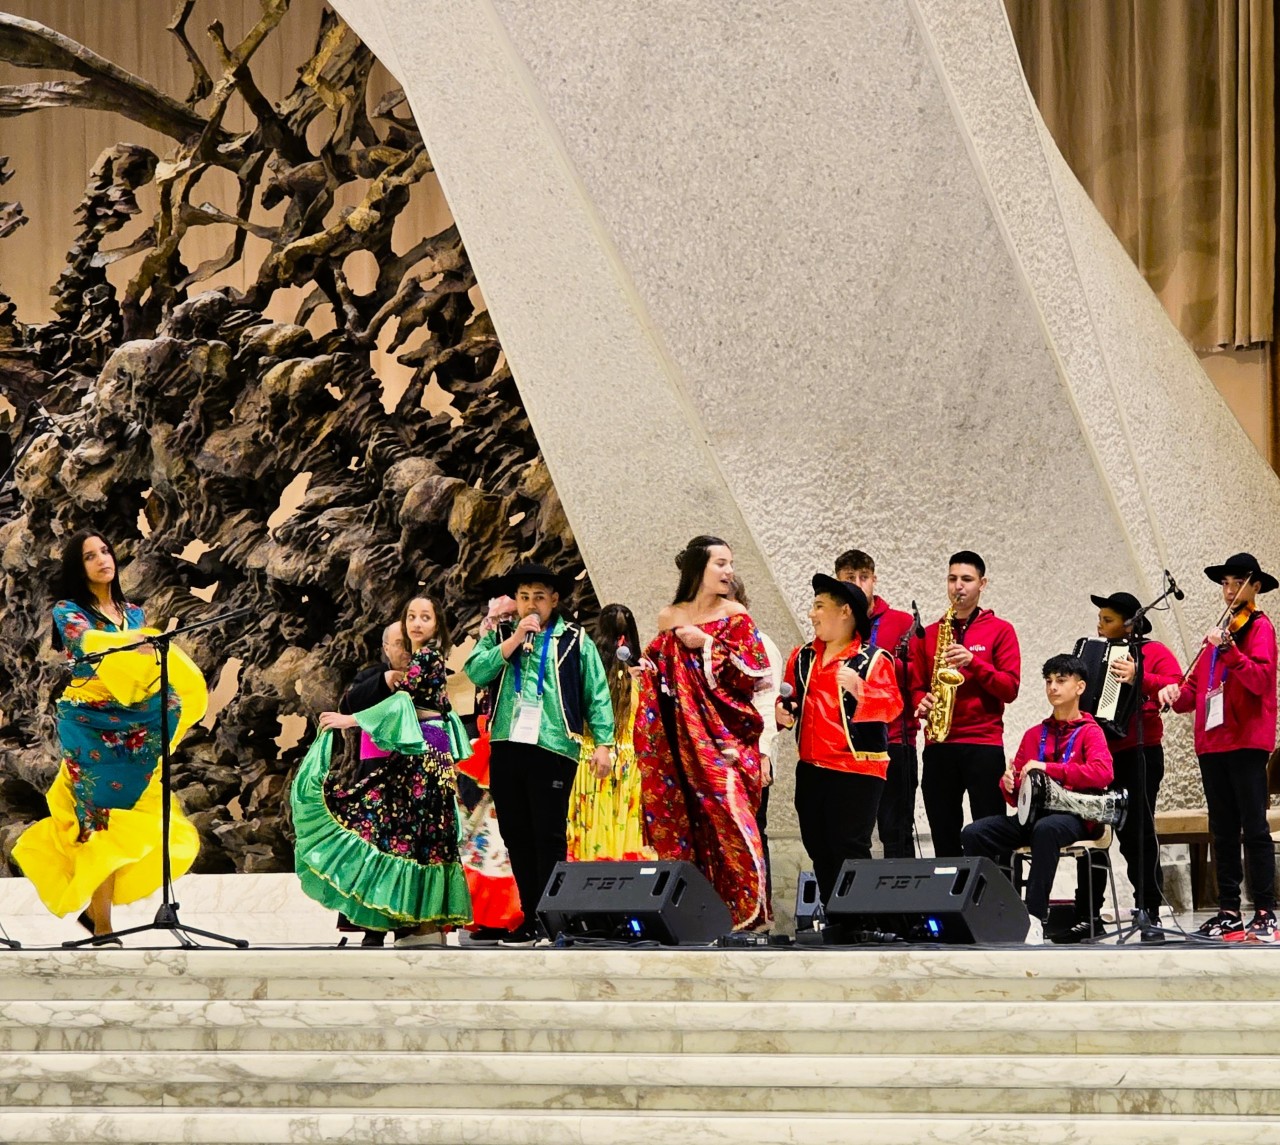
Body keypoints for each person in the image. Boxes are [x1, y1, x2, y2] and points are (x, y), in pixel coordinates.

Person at [13, 529, 206, 943]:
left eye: (105, 550)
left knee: (135, 811)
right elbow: (88, 643)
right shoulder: (69, 611)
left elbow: (142, 667)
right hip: (88, 722)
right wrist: (129, 641)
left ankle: (95, 912)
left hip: (132, 720)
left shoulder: (132, 612)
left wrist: (144, 646)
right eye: (89, 556)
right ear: (76, 567)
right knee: (95, 818)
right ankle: (102, 925)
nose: (102, 559)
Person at [292, 595, 472, 946]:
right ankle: (409, 922)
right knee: (401, 832)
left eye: (425, 617)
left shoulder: (429, 657)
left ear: (438, 626)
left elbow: (403, 699)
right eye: (411, 617)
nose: (417, 623)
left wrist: (351, 719)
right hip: (417, 755)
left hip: (424, 759)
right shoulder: (413, 661)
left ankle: (414, 923)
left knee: (397, 830)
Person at [464, 563, 614, 943]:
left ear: (555, 600)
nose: (531, 604)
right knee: (516, 834)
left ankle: (553, 918)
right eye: (524, 597)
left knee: (547, 834)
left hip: (553, 746)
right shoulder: (500, 633)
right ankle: (531, 917)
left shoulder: (575, 640)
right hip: (507, 743)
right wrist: (512, 641)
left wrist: (605, 744)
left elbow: (596, 692)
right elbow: (476, 672)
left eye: (540, 597)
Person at [633, 535, 772, 930]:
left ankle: (746, 913)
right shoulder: (669, 616)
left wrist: (708, 643)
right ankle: (695, 914)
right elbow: (660, 672)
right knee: (685, 822)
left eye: (731, 564)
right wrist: (643, 674)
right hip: (680, 738)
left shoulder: (736, 615)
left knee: (728, 817)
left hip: (723, 740)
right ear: (698, 568)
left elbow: (755, 674)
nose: (729, 572)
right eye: (721, 564)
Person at [1159, 553, 1278, 942]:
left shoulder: (1259, 628)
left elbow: (1260, 680)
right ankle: (1228, 910)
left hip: (1246, 741)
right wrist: (1171, 693)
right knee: (1222, 829)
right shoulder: (1216, 635)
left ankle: (1265, 910)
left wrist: (1229, 649)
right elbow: (1194, 690)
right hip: (1212, 743)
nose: (1229, 591)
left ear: (1255, 586)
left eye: (1237, 583)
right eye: (1225, 584)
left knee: (1254, 828)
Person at [961, 654, 1114, 944]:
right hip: (1034, 817)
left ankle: (1034, 917)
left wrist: (1048, 768)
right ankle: (995, 910)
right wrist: (1008, 785)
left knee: (1047, 830)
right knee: (974, 833)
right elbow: (1017, 794)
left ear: (1079, 687)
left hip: (1078, 817)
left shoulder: (1091, 732)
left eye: (1061, 680)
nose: (1052, 687)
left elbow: (1102, 773)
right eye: (1048, 681)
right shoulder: (1035, 734)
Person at [1058, 592, 1183, 944]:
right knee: (1090, 831)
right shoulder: (1092, 651)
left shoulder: (1153, 652)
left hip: (1138, 752)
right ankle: (1088, 914)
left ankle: (1149, 910)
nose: (1100, 625)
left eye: (1108, 619)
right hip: (1098, 754)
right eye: (1099, 618)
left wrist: (1138, 675)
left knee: (1137, 834)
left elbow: (1178, 688)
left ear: (1131, 622)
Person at [776, 575, 903, 905]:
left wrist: (860, 689)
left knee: (849, 846)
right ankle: (838, 918)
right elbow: (788, 698)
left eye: (819, 606)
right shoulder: (802, 657)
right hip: (812, 768)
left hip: (857, 770)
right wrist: (783, 713)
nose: (812, 614)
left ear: (844, 611)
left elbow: (892, 706)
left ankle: (864, 919)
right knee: (818, 845)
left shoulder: (872, 659)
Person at [911, 551, 1021, 857]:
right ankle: (950, 900)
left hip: (982, 744)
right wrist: (921, 702)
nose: (958, 586)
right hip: (938, 743)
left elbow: (1010, 688)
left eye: (967, 580)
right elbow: (916, 686)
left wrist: (975, 662)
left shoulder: (1001, 630)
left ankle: (999, 898)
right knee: (943, 832)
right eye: (952, 579)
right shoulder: (930, 633)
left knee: (990, 832)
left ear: (982, 584)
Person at [330, 620, 414, 945]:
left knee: (411, 852)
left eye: (409, 642)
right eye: (398, 643)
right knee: (374, 852)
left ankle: (410, 922)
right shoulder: (371, 676)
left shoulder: (428, 676)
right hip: (376, 776)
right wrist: (385, 680)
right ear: (386, 649)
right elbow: (349, 702)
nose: (404, 649)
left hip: (414, 776)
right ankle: (372, 927)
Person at [835, 548, 919, 858]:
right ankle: (862, 906)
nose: (858, 584)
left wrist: (879, 667)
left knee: (895, 833)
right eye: (849, 578)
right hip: (846, 746)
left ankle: (904, 907)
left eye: (864, 577)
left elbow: (917, 680)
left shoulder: (901, 623)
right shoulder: (835, 626)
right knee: (850, 835)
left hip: (894, 741)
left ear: (874, 579)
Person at [566, 603, 655, 862]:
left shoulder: (585, 668)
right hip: (627, 763)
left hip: (592, 759)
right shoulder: (645, 672)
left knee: (590, 827)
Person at [728, 574, 783, 904]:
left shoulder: (760, 644)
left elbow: (768, 703)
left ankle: (756, 912)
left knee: (749, 837)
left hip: (748, 760)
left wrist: (762, 755)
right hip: (712, 760)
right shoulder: (702, 644)